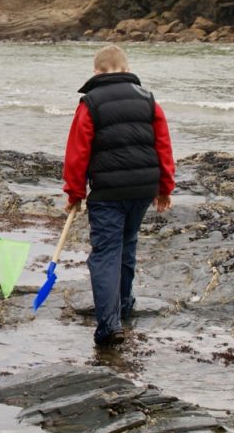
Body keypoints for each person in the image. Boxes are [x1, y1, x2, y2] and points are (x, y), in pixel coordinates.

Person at [62, 45, 175, 346]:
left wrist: (74, 192)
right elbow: (163, 146)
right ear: (126, 70)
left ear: (96, 72)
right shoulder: (148, 99)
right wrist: (165, 188)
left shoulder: (90, 103)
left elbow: (77, 153)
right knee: (128, 244)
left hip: (109, 191)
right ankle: (123, 304)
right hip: (143, 188)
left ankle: (109, 324)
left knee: (106, 254)